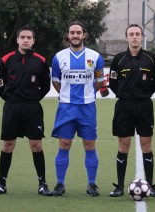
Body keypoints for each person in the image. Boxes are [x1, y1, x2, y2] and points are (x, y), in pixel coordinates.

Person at [0, 25, 52, 196]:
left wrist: (33, 98)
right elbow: (0, 84)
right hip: (11, 107)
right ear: (17, 39)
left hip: (32, 108)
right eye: (22, 37)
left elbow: (46, 85)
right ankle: (1, 183)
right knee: (8, 145)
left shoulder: (41, 60)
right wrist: (10, 99)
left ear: (33, 40)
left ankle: (42, 183)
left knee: (36, 145)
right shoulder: (6, 59)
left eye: (29, 37)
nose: (25, 40)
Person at [51, 21, 105, 197]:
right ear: (68, 35)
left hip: (87, 108)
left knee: (89, 145)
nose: (75, 35)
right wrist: (65, 96)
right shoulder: (59, 57)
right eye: (72, 32)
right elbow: (55, 81)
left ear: (84, 35)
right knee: (64, 144)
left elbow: (99, 81)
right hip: (66, 107)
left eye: (78, 32)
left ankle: (91, 184)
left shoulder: (95, 57)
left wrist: (89, 94)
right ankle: (60, 184)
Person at [108, 24, 155, 198]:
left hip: (144, 106)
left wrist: (144, 95)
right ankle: (119, 187)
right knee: (123, 146)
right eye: (131, 34)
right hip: (124, 106)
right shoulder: (118, 59)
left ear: (142, 37)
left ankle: (151, 186)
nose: (134, 37)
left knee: (146, 145)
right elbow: (113, 83)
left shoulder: (151, 58)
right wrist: (125, 95)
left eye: (137, 34)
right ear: (126, 37)